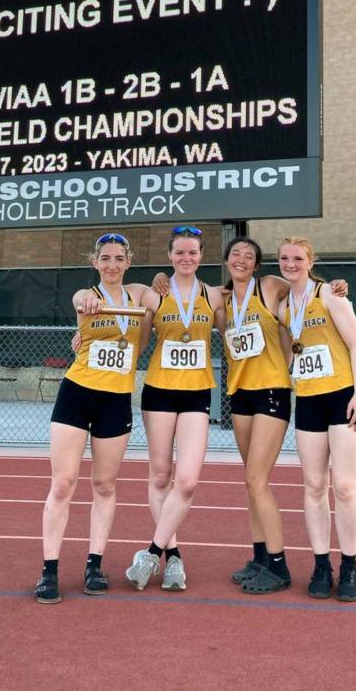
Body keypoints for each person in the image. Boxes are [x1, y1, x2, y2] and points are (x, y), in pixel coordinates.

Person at [223, 237, 348, 594]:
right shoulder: (220, 299)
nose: (241, 259)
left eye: (249, 256)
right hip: (240, 394)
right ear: (226, 260)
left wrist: (336, 286)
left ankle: (279, 566)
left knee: (257, 480)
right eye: (235, 254)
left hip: (272, 391)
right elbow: (179, 289)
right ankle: (260, 557)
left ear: (257, 264)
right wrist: (160, 278)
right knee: (250, 482)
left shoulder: (269, 286)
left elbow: (305, 283)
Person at [34, 233, 152, 604]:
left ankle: (94, 565)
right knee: (63, 482)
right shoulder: (87, 295)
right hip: (77, 394)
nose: (112, 264)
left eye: (118, 258)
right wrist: (84, 303)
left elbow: (163, 295)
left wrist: (162, 281)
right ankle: (49, 570)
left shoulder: (138, 295)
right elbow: (79, 299)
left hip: (116, 401)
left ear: (128, 262)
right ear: (95, 262)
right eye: (105, 258)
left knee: (104, 485)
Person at [125, 225, 225, 592]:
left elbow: (235, 333)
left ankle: (152, 552)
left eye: (192, 252)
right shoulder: (155, 294)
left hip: (196, 394)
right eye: (179, 252)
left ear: (201, 256)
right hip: (159, 392)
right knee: (160, 476)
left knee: (188, 481)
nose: (186, 258)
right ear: (169, 256)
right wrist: (84, 336)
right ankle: (174, 558)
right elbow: (136, 341)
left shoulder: (214, 296)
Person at [279, 236, 356, 602]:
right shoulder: (284, 305)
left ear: (310, 262)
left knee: (344, 486)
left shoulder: (330, 294)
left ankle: (348, 565)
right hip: (308, 401)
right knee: (314, 486)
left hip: (342, 398)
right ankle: (320, 564)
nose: (291, 264)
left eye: (298, 258)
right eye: (284, 258)